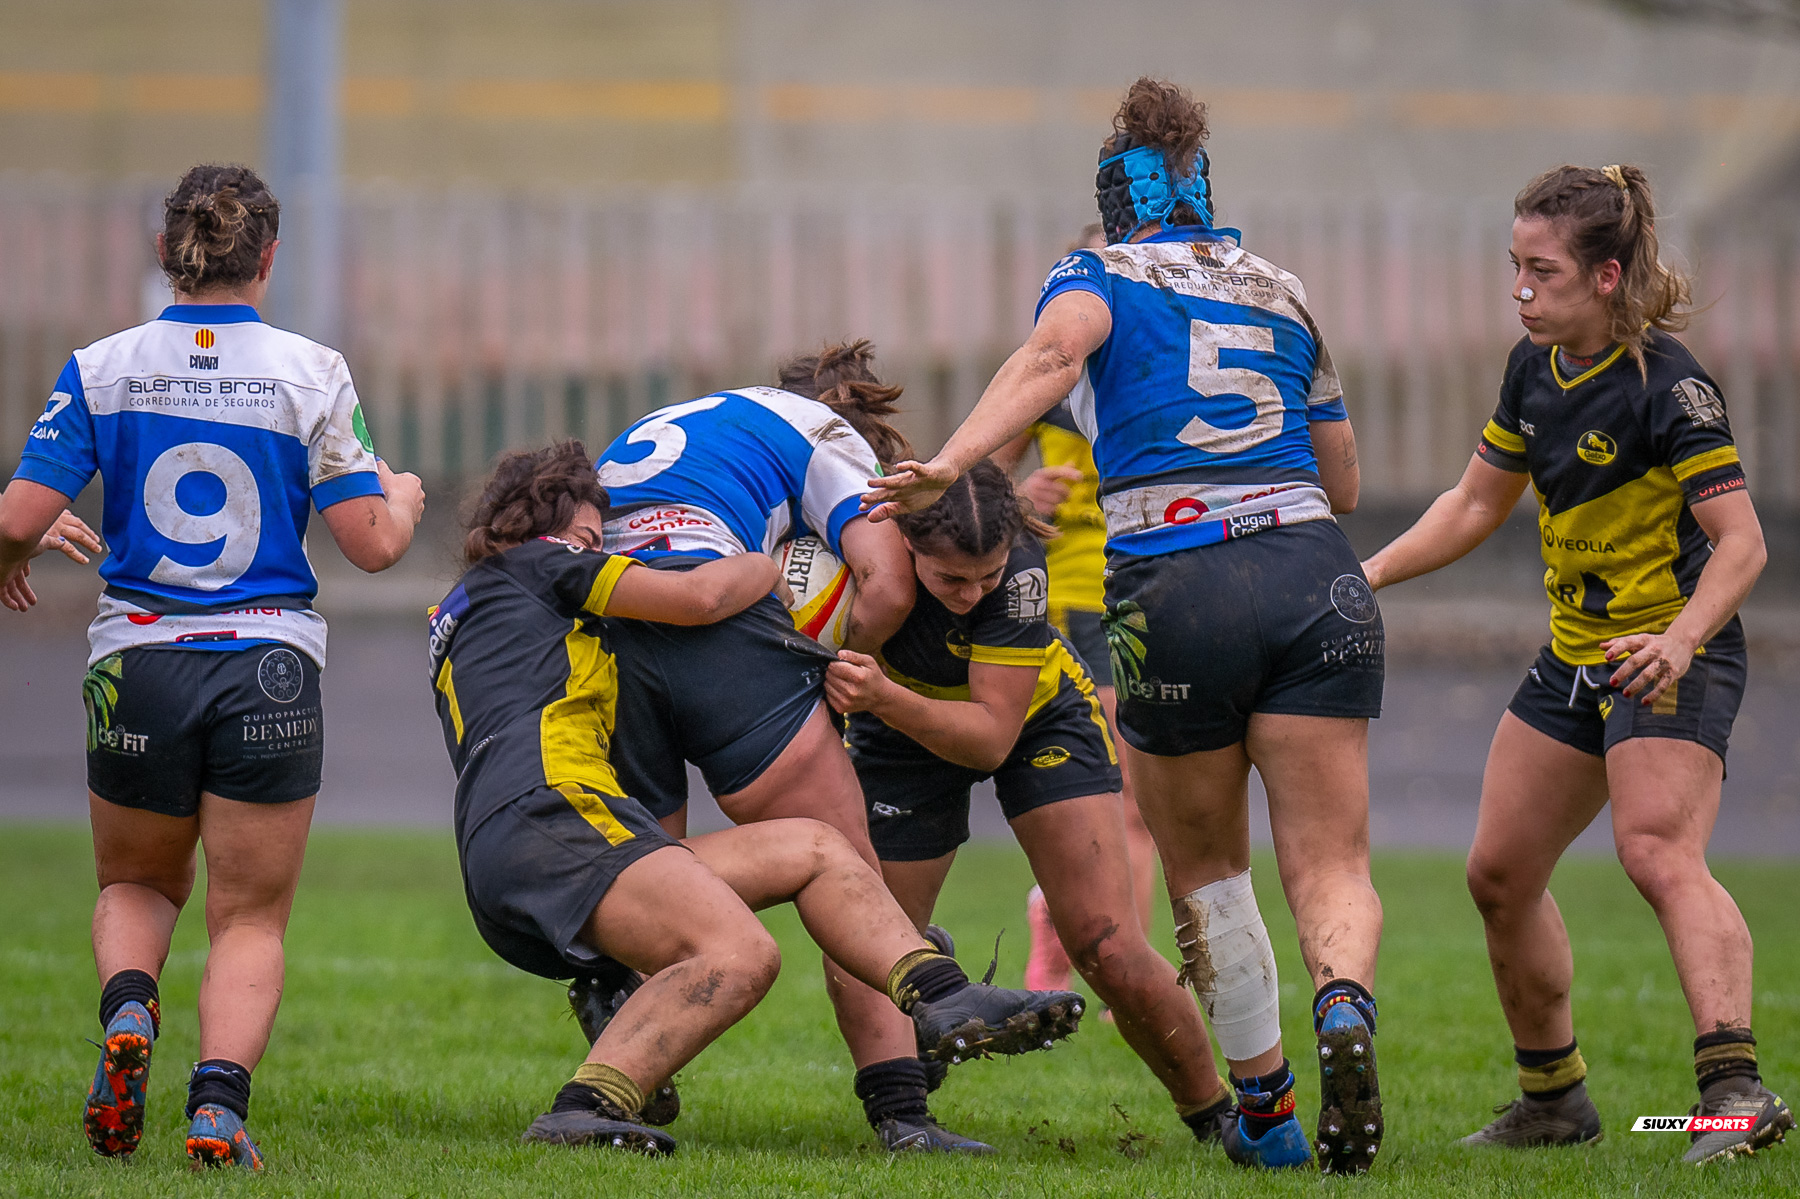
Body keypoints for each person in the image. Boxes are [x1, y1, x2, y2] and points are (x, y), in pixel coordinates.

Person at [862, 78, 1386, 1172]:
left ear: (1117, 197)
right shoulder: (1283, 291)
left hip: (1176, 580)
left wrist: (951, 460)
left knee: (1206, 870)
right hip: (1312, 570)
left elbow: (1053, 358)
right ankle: (1345, 999)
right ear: (1205, 188)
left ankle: (1271, 1113)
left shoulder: (1095, 273)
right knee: (1332, 860)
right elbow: (1342, 479)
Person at [430, 442, 1082, 1155]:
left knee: (814, 849)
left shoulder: (469, 610)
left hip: (525, 847)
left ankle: (939, 991)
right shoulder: (537, 561)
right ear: (541, 532)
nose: (598, 554)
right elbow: (702, 595)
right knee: (742, 949)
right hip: (558, 825)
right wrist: (764, 563)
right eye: (590, 540)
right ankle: (581, 1105)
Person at [0, 164, 426, 1170]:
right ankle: (217, 1111)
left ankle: (131, 1012)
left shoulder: (101, 366)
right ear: (267, 257)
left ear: (167, 253)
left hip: (137, 662)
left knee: (137, 882)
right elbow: (371, 543)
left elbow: (15, 516)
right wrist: (403, 494)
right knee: (249, 914)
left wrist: (14, 552)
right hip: (266, 663)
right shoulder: (308, 370)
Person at [1362, 164, 1789, 1164]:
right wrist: (1367, 572)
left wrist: (1678, 638)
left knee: (1655, 851)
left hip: (1670, 651)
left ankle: (1736, 1090)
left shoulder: (1666, 386)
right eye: (1514, 266)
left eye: (1540, 271)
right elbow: (1475, 504)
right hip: (1577, 658)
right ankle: (1553, 1098)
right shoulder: (1533, 367)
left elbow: (1745, 543)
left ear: (1605, 276)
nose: (1520, 288)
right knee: (1499, 872)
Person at [592, 341, 1082, 1153]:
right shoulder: (828, 442)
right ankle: (909, 1095)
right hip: (717, 636)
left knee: (654, 880)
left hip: (613, 632)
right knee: (845, 867)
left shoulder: (686, 421)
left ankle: (611, 1074)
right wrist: (824, 670)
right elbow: (886, 582)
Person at [825, 459, 1237, 1145]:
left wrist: (880, 695)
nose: (972, 591)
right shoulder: (863, 545)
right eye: (951, 578)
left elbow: (990, 737)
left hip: (1032, 719)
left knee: (1106, 942)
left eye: (984, 575)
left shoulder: (1018, 570)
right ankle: (904, 1119)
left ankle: (1220, 1116)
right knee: (870, 939)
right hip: (897, 732)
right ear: (905, 542)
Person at [992, 223, 1162, 996]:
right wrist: (1018, 500)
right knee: (1124, 799)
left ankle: (1086, 938)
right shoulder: (1050, 377)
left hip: (1150, 593)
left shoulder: (1165, 370)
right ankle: (1128, 971)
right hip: (1072, 602)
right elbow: (972, 496)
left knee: (1131, 799)